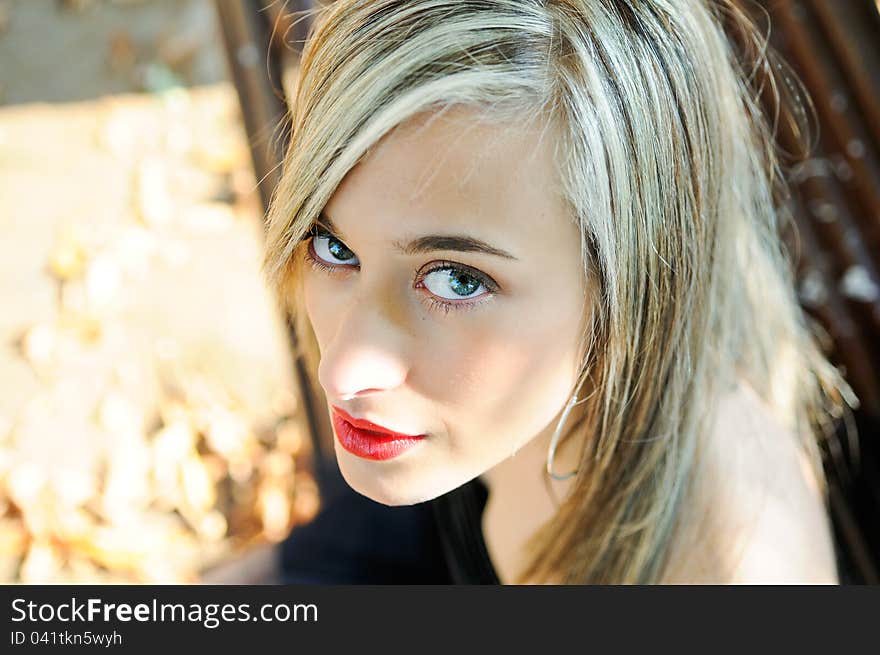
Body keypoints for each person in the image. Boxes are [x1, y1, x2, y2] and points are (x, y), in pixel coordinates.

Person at [261, 0, 858, 584]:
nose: (341, 372)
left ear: (635, 276)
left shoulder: (724, 568)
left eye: (458, 279)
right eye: (333, 248)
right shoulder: (465, 413)